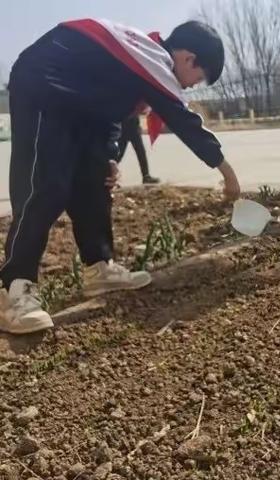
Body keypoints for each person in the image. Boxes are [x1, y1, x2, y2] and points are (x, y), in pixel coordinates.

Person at [0, 19, 240, 335]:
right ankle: (14, 288)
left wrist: (108, 157)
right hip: (43, 82)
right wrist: (228, 173)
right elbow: (184, 121)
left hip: (78, 101)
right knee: (47, 185)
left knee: (96, 183)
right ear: (187, 58)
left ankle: (99, 268)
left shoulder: (135, 62)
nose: (194, 85)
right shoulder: (152, 56)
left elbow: (109, 114)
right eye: (200, 76)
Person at [118, 115, 160, 185]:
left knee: (141, 152)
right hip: (123, 127)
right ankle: (107, 175)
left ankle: (146, 176)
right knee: (118, 154)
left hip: (134, 127)